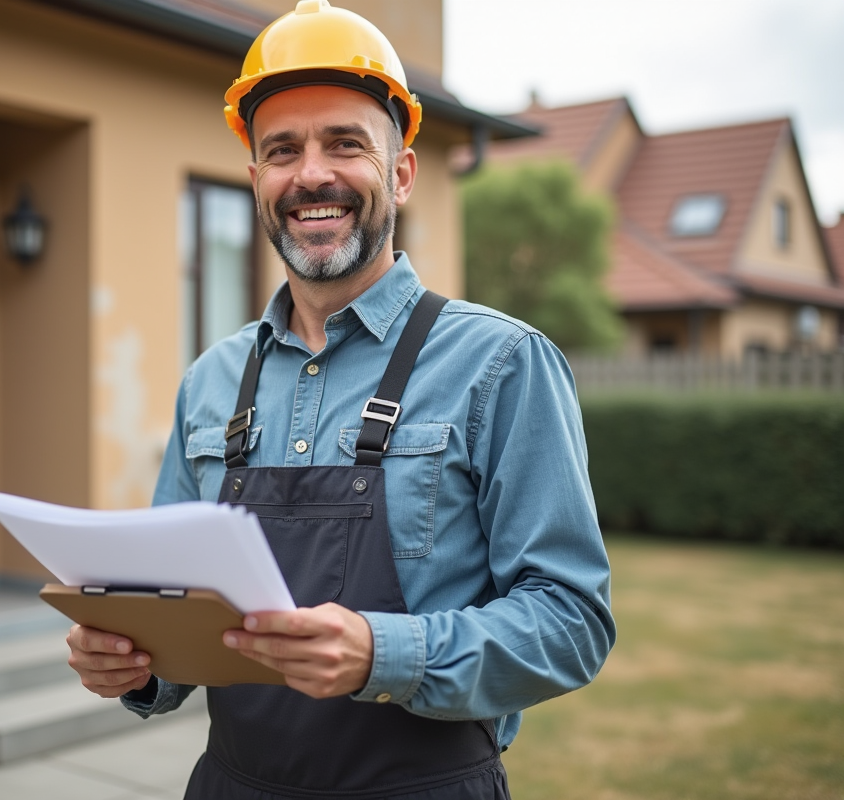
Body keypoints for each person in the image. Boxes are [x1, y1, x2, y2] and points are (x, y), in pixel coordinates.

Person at [65, 1, 615, 797]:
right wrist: (132, 666)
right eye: (281, 149)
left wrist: (383, 653)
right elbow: (173, 609)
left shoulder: (502, 363)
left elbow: (572, 622)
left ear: (401, 174)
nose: (312, 174)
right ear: (255, 179)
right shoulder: (210, 383)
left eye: (345, 144)